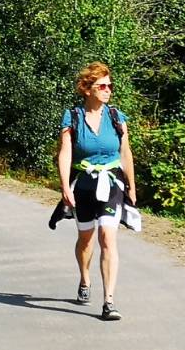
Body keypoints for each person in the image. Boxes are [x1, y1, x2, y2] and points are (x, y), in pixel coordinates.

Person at [56, 62, 137, 321]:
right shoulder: (73, 116)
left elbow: (126, 152)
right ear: (87, 89)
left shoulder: (117, 117)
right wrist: (64, 186)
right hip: (84, 184)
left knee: (107, 238)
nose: (108, 90)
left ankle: (108, 302)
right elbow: (65, 151)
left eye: (110, 86)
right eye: (102, 86)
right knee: (86, 239)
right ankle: (84, 278)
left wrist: (132, 188)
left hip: (112, 182)